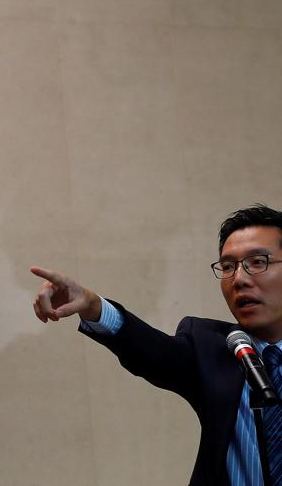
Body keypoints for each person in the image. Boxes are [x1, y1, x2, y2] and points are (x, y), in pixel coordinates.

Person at [32, 204, 282, 486]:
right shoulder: (211, 347)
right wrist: (92, 306)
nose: (239, 279)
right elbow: (150, 351)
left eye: (257, 262)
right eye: (228, 267)